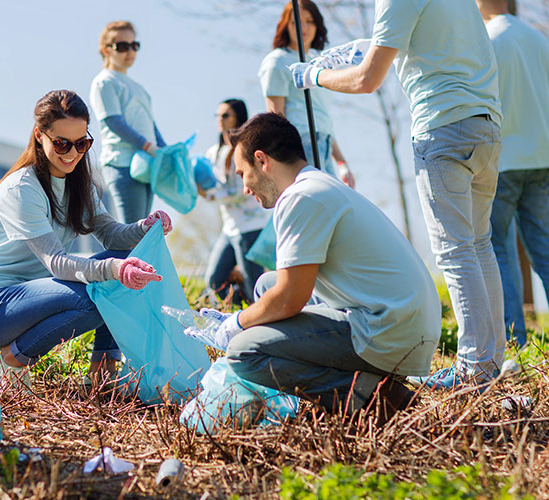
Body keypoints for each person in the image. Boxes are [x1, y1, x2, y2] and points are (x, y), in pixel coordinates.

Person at [292, 0, 506, 389]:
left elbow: (365, 80)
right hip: (485, 126)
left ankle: (474, 371)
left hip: (442, 128)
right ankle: (489, 364)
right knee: (478, 245)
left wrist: (315, 75)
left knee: (456, 251)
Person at [190, 113, 440, 421]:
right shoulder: (318, 185)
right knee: (265, 285)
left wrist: (237, 323)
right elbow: (282, 290)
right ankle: (361, 383)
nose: (244, 188)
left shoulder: (301, 197)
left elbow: (289, 298)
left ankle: (373, 396)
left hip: (389, 331)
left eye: (243, 173)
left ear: (262, 160)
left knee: (245, 351)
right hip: (403, 321)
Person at [0, 90, 171, 387]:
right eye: (61, 143)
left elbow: (112, 235)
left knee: (124, 263)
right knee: (100, 293)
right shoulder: (22, 188)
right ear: (39, 135)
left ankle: (103, 373)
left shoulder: (80, 185)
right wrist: (112, 271)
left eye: (82, 143)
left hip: (39, 297)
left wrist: (144, 227)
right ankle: (10, 357)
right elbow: (57, 263)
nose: (72, 153)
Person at [477, 0, 549, 347]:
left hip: (504, 160)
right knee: (545, 250)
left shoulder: (484, 41)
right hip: (543, 158)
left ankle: (514, 338)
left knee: (498, 249)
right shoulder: (540, 39)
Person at [258, 0, 353, 187]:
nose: (304, 27)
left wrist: (341, 162)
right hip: (300, 144)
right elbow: (276, 119)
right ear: (286, 26)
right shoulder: (277, 61)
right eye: (296, 22)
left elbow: (322, 118)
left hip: (323, 143)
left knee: (333, 207)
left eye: (309, 21)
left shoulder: (318, 64)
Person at [90, 20, 167, 223]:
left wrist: (165, 150)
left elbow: (150, 124)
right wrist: (148, 145)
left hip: (147, 163)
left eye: (134, 45)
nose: (130, 51)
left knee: (143, 231)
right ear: (106, 50)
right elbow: (113, 122)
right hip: (122, 163)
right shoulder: (104, 81)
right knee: (132, 232)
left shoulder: (138, 87)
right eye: (122, 46)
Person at [201, 99, 268, 304]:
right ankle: (247, 309)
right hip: (229, 228)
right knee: (214, 281)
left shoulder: (246, 148)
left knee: (254, 284)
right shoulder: (214, 152)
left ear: (237, 117)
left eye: (225, 115)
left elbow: (243, 188)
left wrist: (212, 196)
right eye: (218, 115)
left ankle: (262, 317)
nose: (220, 120)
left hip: (250, 226)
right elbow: (211, 182)